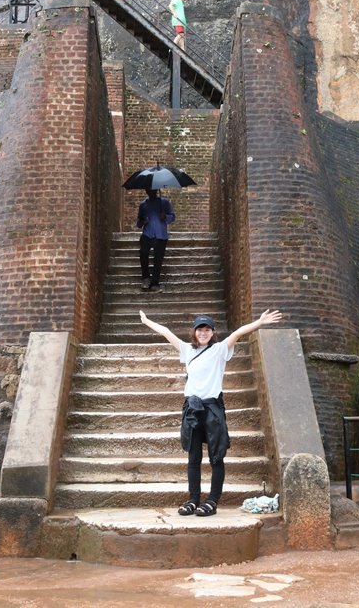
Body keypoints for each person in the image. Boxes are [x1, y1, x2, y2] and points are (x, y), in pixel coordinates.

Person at [139, 308, 283, 517]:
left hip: (212, 407)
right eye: (200, 329)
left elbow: (238, 333)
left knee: (216, 457)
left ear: (213, 332)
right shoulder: (187, 350)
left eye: (207, 329)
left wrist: (259, 323)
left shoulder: (219, 350)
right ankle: (193, 499)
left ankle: (212, 501)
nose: (203, 333)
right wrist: (147, 321)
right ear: (194, 332)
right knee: (193, 456)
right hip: (192, 408)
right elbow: (166, 332)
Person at [137, 188, 175, 292]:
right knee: (143, 252)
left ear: (157, 191)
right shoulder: (143, 205)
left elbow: (172, 217)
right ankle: (145, 277)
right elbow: (138, 224)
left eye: (153, 190)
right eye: (149, 191)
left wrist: (165, 216)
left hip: (161, 235)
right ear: (146, 191)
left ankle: (155, 283)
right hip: (147, 234)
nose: (151, 192)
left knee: (158, 258)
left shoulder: (165, 203)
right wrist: (143, 221)